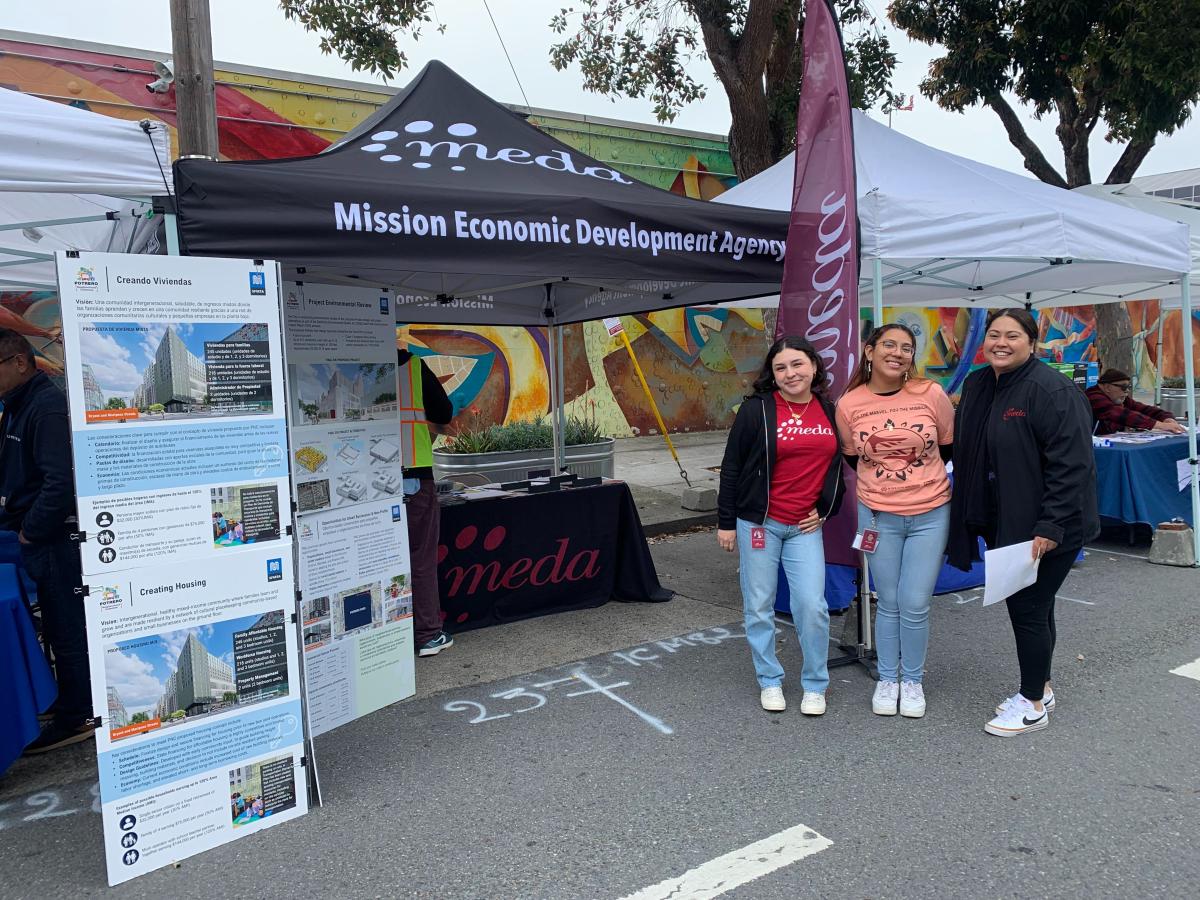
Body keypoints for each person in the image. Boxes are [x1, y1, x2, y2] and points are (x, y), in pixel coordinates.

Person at [948, 310, 1099, 737]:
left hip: (1051, 526)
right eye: (993, 334)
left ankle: (1031, 704)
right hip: (1006, 521)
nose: (1000, 342)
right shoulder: (980, 383)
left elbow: (1073, 467)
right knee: (1038, 605)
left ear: (1031, 342)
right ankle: (1043, 687)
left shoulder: (1052, 390)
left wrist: (1049, 526)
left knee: (1028, 607)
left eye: (1012, 336)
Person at [717, 335, 845, 715]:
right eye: (781, 367)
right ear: (772, 374)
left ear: (814, 366)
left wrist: (825, 509)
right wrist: (725, 522)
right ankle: (769, 680)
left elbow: (842, 469)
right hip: (759, 523)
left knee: (812, 605)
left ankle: (815, 684)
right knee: (759, 604)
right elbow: (732, 467)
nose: (790, 373)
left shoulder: (830, 409)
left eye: (797, 364)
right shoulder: (757, 410)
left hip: (805, 526)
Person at [835, 324, 954, 719]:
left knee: (915, 602)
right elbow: (854, 458)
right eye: (889, 345)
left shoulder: (931, 394)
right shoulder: (849, 403)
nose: (898, 353)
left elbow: (949, 446)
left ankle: (912, 681)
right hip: (877, 516)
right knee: (887, 602)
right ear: (869, 352)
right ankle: (888, 679)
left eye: (906, 347)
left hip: (930, 512)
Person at [0, 328, 94, 753]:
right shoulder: (18, 406)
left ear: (19, 362)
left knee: (65, 625)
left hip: (53, 539)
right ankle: (66, 704)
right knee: (57, 623)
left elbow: (61, 482)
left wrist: (31, 529)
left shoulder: (46, 406)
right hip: (37, 536)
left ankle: (78, 715)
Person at [398, 346, 455, 656]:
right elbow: (443, 413)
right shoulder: (413, 367)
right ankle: (428, 634)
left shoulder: (355, 364)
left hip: (367, 482)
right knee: (420, 557)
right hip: (414, 475)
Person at [1085, 368, 1185, 435]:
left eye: (1128, 387)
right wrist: (1162, 426)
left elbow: (1143, 409)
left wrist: (1166, 418)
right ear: (1107, 387)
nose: (1127, 391)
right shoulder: (1093, 396)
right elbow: (1121, 414)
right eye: (1123, 387)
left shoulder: (1118, 397)